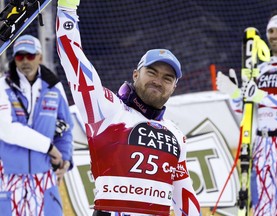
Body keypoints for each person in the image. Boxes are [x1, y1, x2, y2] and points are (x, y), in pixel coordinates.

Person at [56, 0, 200, 215]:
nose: (158, 81)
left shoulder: (176, 134)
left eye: (167, 78)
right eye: (151, 72)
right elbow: (75, 62)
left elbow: (184, 195)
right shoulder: (109, 110)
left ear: (174, 87)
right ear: (135, 74)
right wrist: (67, 9)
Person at [217, 11, 277, 216]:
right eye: (270, 31)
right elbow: (246, 110)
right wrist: (235, 94)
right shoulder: (260, 69)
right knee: (262, 204)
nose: (273, 35)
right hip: (260, 144)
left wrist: (260, 96)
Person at [0, 34, 74, 216]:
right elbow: (5, 129)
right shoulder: (2, 87)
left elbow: (65, 128)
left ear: (40, 57)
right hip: (9, 177)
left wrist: (65, 160)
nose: (25, 61)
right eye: (20, 56)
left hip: (45, 177)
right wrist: (50, 148)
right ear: (14, 58)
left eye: (30, 56)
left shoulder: (54, 87)